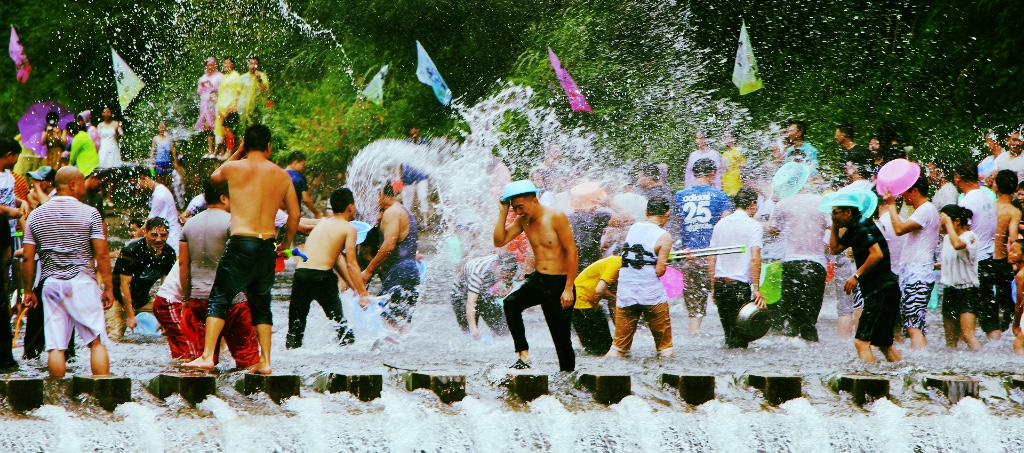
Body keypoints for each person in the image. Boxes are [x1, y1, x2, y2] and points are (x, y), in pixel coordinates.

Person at [185, 125, 300, 374]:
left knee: (219, 297)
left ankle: (207, 356)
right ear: (269, 146)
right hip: (267, 244)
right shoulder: (282, 175)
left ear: (246, 144)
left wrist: (237, 152)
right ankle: (265, 361)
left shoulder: (234, 167)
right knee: (261, 304)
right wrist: (285, 244)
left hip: (241, 242)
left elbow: (213, 179)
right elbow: (295, 214)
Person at [21, 166, 114, 377]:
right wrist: (108, 288)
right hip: (82, 282)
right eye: (82, 184)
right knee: (96, 341)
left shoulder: (36, 215)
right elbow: (102, 255)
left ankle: (56, 393)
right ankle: (102, 389)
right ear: (72, 185)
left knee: (56, 346)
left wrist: (28, 291)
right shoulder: (90, 213)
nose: (84, 188)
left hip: (51, 283)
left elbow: (27, 257)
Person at [494, 180, 577, 371]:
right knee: (511, 303)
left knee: (561, 338)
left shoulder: (555, 216)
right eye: (514, 208)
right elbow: (499, 241)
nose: (518, 212)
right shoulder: (523, 220)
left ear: (534, 200)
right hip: (539, 279)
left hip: (559, 283)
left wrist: (568, 288)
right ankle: (523, 356)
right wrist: (503, 212)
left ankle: (567, 376)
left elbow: (572, 252)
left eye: (520, 206)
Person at [287, 187, 370, 348]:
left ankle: (291, 353)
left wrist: (354, 288)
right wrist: (363, 294)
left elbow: (335, 260)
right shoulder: (349, 228)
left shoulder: (323, 223)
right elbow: (351, 263)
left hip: (301, 275)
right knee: (340, 324)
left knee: (295, 328)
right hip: (322, 279)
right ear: (350, 207)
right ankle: (350, 353)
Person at [828, 192, 902, 363]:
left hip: (881, 290)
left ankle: (869, 377)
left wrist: (856, 276)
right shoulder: (855, 226)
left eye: (835, 212)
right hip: (884, 290)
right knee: (884, 344)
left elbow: (877, 254)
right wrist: (834, 225)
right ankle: (901, 374)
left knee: (861, 342)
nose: (833, 215)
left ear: (848, 212)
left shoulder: (861, 225)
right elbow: (835, 249)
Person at [767, 163, 829, 341]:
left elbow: (773, 229)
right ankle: (812, 347)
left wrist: (756, 221)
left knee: (791, 317)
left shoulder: (783, 204)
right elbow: (833, 227)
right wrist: (825, 246)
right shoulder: (821, 202)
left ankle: (792, 350)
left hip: (791, 263)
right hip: (816, 264)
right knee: (810, 318)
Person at [606, 196, 674, 357]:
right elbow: (660, 271)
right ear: (667, 214)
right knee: (665, 348)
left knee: (618, 348)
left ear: (646, 212)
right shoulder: (664, 236)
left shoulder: (634, 227)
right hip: (650, 292)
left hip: (626, 290)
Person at [882, 176, 939, 350]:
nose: (902, 196)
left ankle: (921, 361)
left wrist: (891, 205)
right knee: (913, 325)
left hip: (918, 275)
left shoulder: (926, 209)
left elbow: (899, 229)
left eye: (905, 191)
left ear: (915, 191)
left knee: (914, 326)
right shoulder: (922, 210)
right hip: (913, 274)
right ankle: (919, 359)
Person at [675, 158, 732, 334]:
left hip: (690, 256)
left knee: (695, 310)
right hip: (714, 258)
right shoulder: (720, 196)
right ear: (713, 173)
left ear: (693, 173)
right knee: (725, 303)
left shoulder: (680, 196)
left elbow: (678, 224)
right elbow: (725, 225)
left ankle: (694, 335)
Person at [709, 188, 765, 348]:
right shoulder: (753, 225)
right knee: (740, 339)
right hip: (738, 287)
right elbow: (755, 258)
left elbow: (711, 257)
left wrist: (713, 287)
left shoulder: (720, 224)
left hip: (720, 286)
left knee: (729, 336)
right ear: (752, 204)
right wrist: (756, 288)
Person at [362, 183, 420, 328]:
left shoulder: (392, 212)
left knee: (388, 323)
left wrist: (368, 271)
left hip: (400, 273)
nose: (371, 200)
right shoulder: (404, 210)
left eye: (373, 195)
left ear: (381, 194)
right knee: (398, 325)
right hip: (409, 272)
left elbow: (389, 245)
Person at [108, 217, 176, 341]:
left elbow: (166, 287)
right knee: (114, 338)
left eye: (163, 235)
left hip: (143, 301)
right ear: (145, 232)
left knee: (167, 332)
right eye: (154, 235)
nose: (159, 239)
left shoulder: (169, 253)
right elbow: (124, 286)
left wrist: (164, 315)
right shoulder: (131, 250)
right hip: (118, 300)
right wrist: (130, 315)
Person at [953, 162, 998, 339]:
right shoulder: (987, 196)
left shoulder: (967, 201)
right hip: (988, 258)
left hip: (973, 263)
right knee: (988, 311)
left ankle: (971, 349)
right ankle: (995, 345)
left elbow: (961, 233)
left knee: (967, 311)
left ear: (958, 177)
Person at [938, 205, 982, 351]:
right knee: (950, 339)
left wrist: (948, 224)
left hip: (967, 291)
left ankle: (980, 360)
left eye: (943, 220)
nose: (941, 224)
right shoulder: (947, 239)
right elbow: (952, 260)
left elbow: (958, 245)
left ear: (956, 221)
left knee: (968, 334)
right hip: (950, 290)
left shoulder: (970, 236)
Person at [451, 252, 518, 340]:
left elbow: (510, 280)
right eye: (503, 275)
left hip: (484, 293)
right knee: (470, 333)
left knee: (503, 331)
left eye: (507, 276)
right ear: (496, 265)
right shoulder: (477, 273)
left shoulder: (509, 265)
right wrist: (473, 328)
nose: (504, 278)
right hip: (462, 295)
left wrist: (506, 288)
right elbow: (470, 302)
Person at [992, 170, 1020, 338]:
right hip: (1002, 260)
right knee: (1006, 302)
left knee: (987, 301)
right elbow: (1013, 238)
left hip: (985, 259)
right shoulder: (1014, 212)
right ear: (1016, 188)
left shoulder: (990, 206)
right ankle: (1005, 335)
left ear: (996, 186)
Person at [572, 255, 620, 355]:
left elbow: (612, 305)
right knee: (597, 349)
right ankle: (580, 340)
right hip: (579, 302)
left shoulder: (620, 271)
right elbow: (600, 290)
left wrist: (619, 333)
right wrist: (615, 298)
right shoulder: (616, 264)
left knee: (607, 345)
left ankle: (581, 339)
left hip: (591, 304)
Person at [567, 181, 613, 271]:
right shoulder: (600, 217)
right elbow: (629, 218)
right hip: (592, 267)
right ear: (595, 202)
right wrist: (610, 204)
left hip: (569, 268)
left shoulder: (566, 219)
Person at [138, 169, 182, 252]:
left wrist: (132, 242)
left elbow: (147, 224)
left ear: (143, 178)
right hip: (169, 238)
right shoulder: (160, 190)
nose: (138, 188)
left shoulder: (159, 195)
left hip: (170, 241)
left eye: (137, 184)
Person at [195, 57, 223, 157]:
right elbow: (199, 91)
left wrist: (212, 86)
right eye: (208, 65)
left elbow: (221, 90)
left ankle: (220, 150)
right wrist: (202, 85)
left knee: (217, 127)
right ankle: (210, 150)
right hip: (204, 105)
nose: (209, 67)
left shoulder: (219, 76)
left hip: (214, 104)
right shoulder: (203, 77)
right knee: (207, 127)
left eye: (211, 65)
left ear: (215, 65)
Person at [214, 57, 243, 158]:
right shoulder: (225, 76)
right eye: (224, 63)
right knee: (224, 130)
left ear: (232, 64)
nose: (225, 65)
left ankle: (230, 151)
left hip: (231, 107)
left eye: (227, 63)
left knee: (229, 129)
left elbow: (238, 92)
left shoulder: (236, 76)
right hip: (222, 108)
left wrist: (234, 106)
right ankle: (225, 150)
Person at [236, 56, 270, 131]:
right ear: (248, 64)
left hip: (256, 108)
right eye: (251, 63)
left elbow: (265, 91)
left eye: (255, 64)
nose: (253, 66)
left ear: (258, 65)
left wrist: (259, 79)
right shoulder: (243, 77)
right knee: (244, 130)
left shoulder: (263, 76)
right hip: (243, 108)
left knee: (256, 130)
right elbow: (238, 93)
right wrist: (236, 106)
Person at [285, 152, 322, 218]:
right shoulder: (299, 178)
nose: (303, 168)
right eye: (303, 165)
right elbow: (306, 200)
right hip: (293, 215)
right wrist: (317, 212)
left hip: (277, 214)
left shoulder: (278, 174)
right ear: (296, 162)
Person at [1007, 239, 1024, 355]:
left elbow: (1019, 303)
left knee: (1018, 343)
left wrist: (1015, 324)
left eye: (1014, 251)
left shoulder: (1021, 276)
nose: (1009, 253)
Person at [721, 131, 745, 196]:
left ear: (734, 139)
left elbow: (743, 168)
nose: (724, 139)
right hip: (726, 186)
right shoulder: (725, 153)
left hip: (736, 186)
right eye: (724, 137)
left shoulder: (738, 151)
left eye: (727, 136)